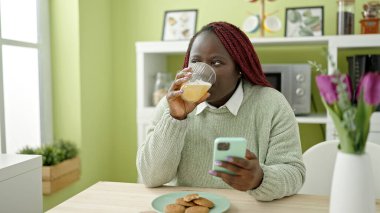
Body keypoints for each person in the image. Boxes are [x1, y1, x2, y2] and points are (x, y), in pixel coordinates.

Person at [136, 21, 305, 201]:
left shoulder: (272, 104)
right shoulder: (171, 105)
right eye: (195, 61)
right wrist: (176, 118)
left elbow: (294, 174)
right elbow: (150, 177)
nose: (201, 71)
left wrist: (260, 178)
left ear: (239, 68)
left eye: (216, 62)